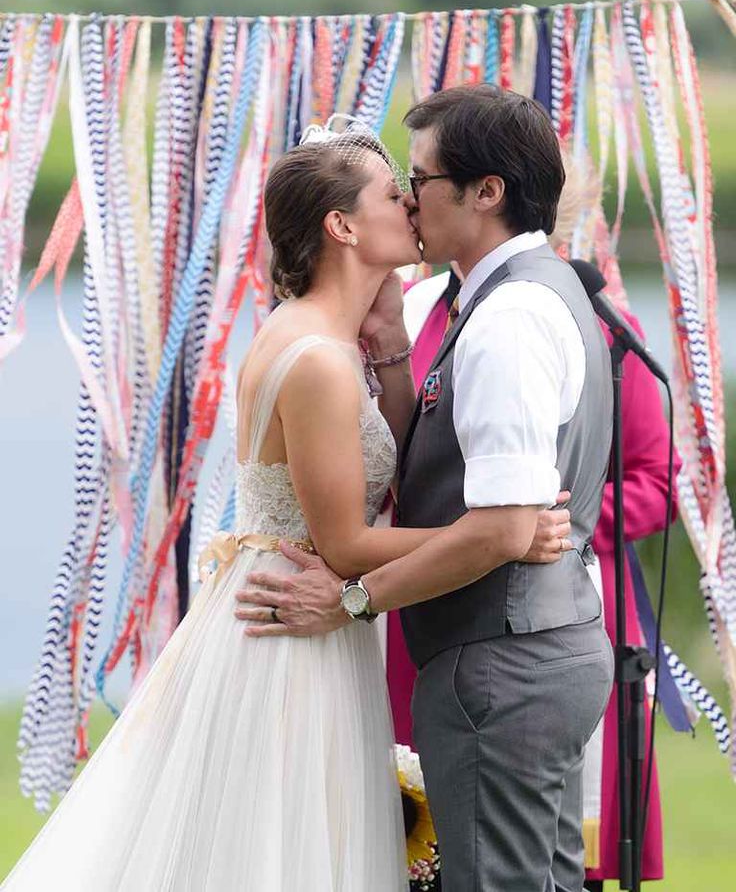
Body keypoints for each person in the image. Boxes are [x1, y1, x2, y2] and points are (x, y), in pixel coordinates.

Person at [3, 121, 568, 892]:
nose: (410, 203)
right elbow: (343, 544)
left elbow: (385, 460)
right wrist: (500, 533)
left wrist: (394, 338)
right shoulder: (317, 360)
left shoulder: (332, 340)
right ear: (342, 226)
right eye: (389, 195)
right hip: (294, 617)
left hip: (306, 606)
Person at [236, 85, 616, 892]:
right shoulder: (517, 298)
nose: (410, 199)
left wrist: (349, 599)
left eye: (422, 178)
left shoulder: (508, 320)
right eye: (396, 185)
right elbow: (429, 469)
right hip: (527, 648)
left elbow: (503, 530)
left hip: (502, 666)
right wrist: (397, 354)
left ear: (487, 192)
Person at [389, 158, 679, 887]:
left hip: (540, 605)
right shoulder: (415, 307)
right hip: (429, 600)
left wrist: (547, 518)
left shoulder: (593, 321)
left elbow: (651, 482)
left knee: (525, 851)